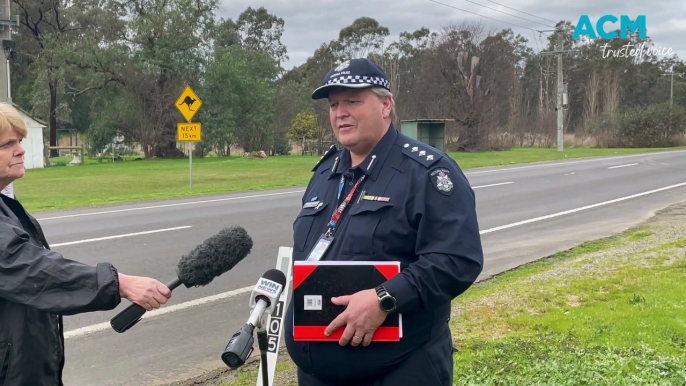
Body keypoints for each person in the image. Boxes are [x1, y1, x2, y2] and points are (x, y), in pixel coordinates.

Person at [284, 58, 484, 386]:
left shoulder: (427, 173)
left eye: (353, 101)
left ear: (386, 105)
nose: (340, 112)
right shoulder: (325, 173)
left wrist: (384, 298)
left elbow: (456, 260)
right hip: (318, 373)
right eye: (334, 105)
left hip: (398, 370)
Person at [0, 102, 173, 386]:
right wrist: (120, 283)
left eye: (19, 141)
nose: (20, 150)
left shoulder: (7, 205)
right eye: (8, 144)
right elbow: (32, 269)